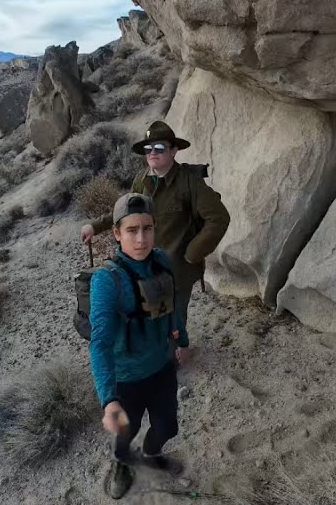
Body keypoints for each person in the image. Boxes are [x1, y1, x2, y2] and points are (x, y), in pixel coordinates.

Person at [81, 121, 229, 362]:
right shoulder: (142, 180)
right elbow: (124, 213)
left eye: (159, 147)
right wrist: (95, 226)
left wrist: (193, 253)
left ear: (173, 151)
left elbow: (219, 218)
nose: (152, 153)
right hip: (147, 264)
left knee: (176, 313)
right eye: (148, 148)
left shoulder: (189, 182)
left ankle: (180, 351)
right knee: (152, 310)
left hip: (179, 268)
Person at [88, 192, 187, 500]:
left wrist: (181, 339)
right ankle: (122, 463)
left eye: (147, 228)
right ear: (117, 233)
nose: (141, 238)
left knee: (167, 426)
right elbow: (99, 342)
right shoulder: (107, 280)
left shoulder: (161, 260)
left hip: (162, 367)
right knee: (124, 432)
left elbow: (172, 306)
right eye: (132, 230)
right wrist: (109, 400)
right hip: (126, 378)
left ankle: (150, 454)